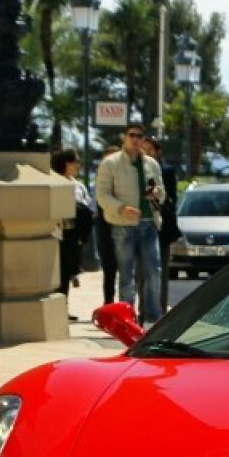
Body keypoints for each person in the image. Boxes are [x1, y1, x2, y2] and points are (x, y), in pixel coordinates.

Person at [95, 123, 165, 324]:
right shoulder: (110, 163)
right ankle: (127, 320)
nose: (136, 139)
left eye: (140, 136)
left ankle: (152, 318)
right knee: (127, 275)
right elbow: (102, 195)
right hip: (122, 226)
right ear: (124, 138)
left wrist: (157, 193)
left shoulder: (151, 164)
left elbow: (162, 191)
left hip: (149, 223)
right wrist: (121, 208)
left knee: (154, 272)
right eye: (132, 135)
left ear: (144, 140)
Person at [49, 148, 93, 321]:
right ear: (65, 163)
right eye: (75, 161)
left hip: (73, 236)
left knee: (67, 272)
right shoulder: (54, 182)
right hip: (57, 233)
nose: (78, 165)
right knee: (57, 272)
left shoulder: (78, 185)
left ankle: (63, 307)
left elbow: (86, 206)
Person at [143, 137, 179, 317]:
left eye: (150, 150)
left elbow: (171, 199)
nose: (146, 154)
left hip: (161, 227)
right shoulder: (135, 170)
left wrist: (156, 195)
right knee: (141, 272)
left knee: (159, 271)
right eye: (143, 150)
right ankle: (143, 310)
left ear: (157, 152)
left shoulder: (167, 171)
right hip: (140, 225)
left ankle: (160, 310)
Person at [93, 145, 121, 305]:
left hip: (123, 224)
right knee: (109, 268)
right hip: (105, 226)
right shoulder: (100, 180)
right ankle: (108, 303)